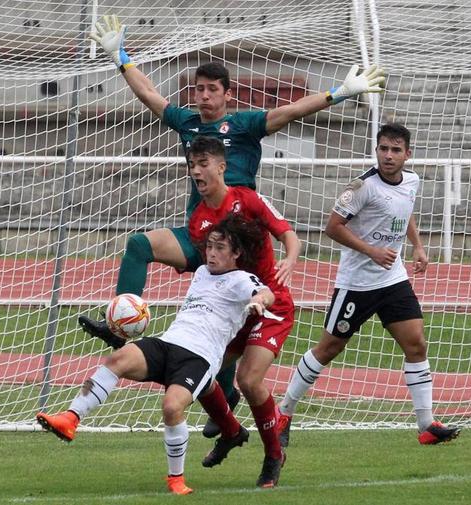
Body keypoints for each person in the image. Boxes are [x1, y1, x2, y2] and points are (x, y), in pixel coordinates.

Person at [80, 13, 384, 430]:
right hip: (199, 233)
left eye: (211, 89)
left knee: (225, 324)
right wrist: (121, 57)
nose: (203, 96)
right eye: (198, 89)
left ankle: (225, 400)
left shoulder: (242, 125)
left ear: (227, 94)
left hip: (239, 243)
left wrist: (340, 93)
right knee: (139, 245)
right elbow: (151, 96)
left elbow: (291, 111)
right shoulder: (187, 123)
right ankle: (121, 322)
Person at [37, 213, 275, 495]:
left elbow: (265, 293)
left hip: (198, 358)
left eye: (220, 248)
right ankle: (71, 418)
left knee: (172, 407)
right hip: (169, 342)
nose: (211, 253)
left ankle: (176, 480)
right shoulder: (201, 273)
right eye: (209, 246)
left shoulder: (240, 279)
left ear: (236, 253)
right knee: (117, 360)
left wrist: (258, 301)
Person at [276, 123, 460, 447]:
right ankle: (284, 411)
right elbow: (332, 227)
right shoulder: (361, 187)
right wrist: (371, 251)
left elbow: (406, 212)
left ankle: (426, 424)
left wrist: (417, 245)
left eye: (395, 150)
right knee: (328, 349)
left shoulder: (412, 181)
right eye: (383, 149)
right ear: (376, 151)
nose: (388, 156)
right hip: (356, 285)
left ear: (407, 154)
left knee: (416, 343)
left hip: (392, 280)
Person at [186, 136, 299, 487]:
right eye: (192, 165)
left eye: (203, 164)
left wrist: (290, 259)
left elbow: (287, 233)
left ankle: (273, 456)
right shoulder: (199, 222)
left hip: (272, 302)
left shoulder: (247, 199)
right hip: (238, 310)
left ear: (222, 166)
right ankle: (232, 432)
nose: (196, 171)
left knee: (249, 379)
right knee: (199, 373)